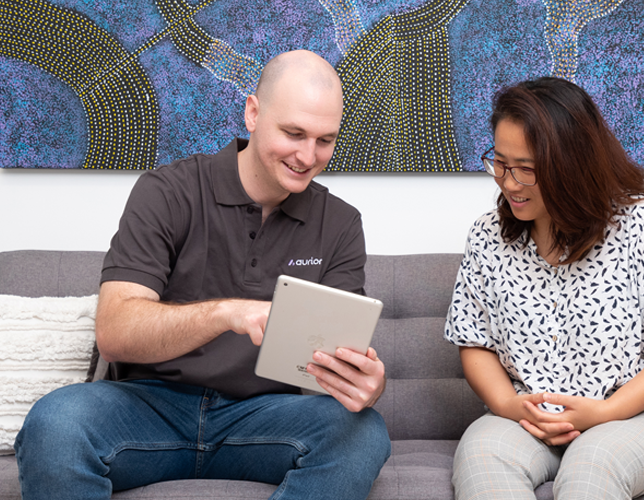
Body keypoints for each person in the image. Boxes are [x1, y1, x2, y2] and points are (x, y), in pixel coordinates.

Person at [15, 50, 391, 500]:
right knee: (55, 422)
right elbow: (115, 332)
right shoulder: (167, 192)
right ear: (253, 113)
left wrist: (367, 383)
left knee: (363, 431)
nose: (308, 156)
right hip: (146, 408)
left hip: (266, 417)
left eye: (324, 140)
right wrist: (228, 313)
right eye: (293, 133)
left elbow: (336, 360)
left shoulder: (341, 223)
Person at [444, 77, 644, 500]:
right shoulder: (487, 235)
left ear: (571, 162)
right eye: (499, 162)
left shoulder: (641, 223)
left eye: (527, 169)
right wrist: (506, 405)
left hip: (642, 417)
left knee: (591, 466)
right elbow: (474, 341)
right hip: (529, 419)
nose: (509, 182)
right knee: (482, 461)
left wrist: (608, 411)